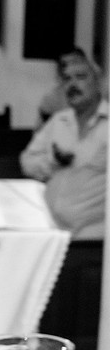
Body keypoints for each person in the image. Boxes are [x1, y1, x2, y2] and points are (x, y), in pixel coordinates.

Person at [20, 50, 107, 239]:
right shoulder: (58, 121)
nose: (72, 84)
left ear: (98, 82)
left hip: (91, 236)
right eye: (67, 79)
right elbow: (27, 161)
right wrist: (52, 161)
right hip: (49, 227)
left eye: (81, 77)